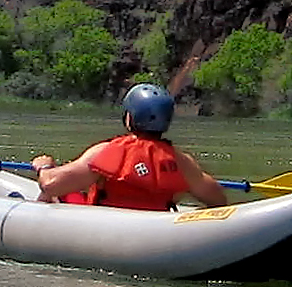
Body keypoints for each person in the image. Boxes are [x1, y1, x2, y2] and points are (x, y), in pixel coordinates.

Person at [31, 84, 230, 210]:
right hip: (155, 227)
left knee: (59, 190)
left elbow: (50, 184)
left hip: (104, 228)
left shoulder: (106, 152)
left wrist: (45, 167)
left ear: (130, 118)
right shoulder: (183, 162)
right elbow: (218, 200)